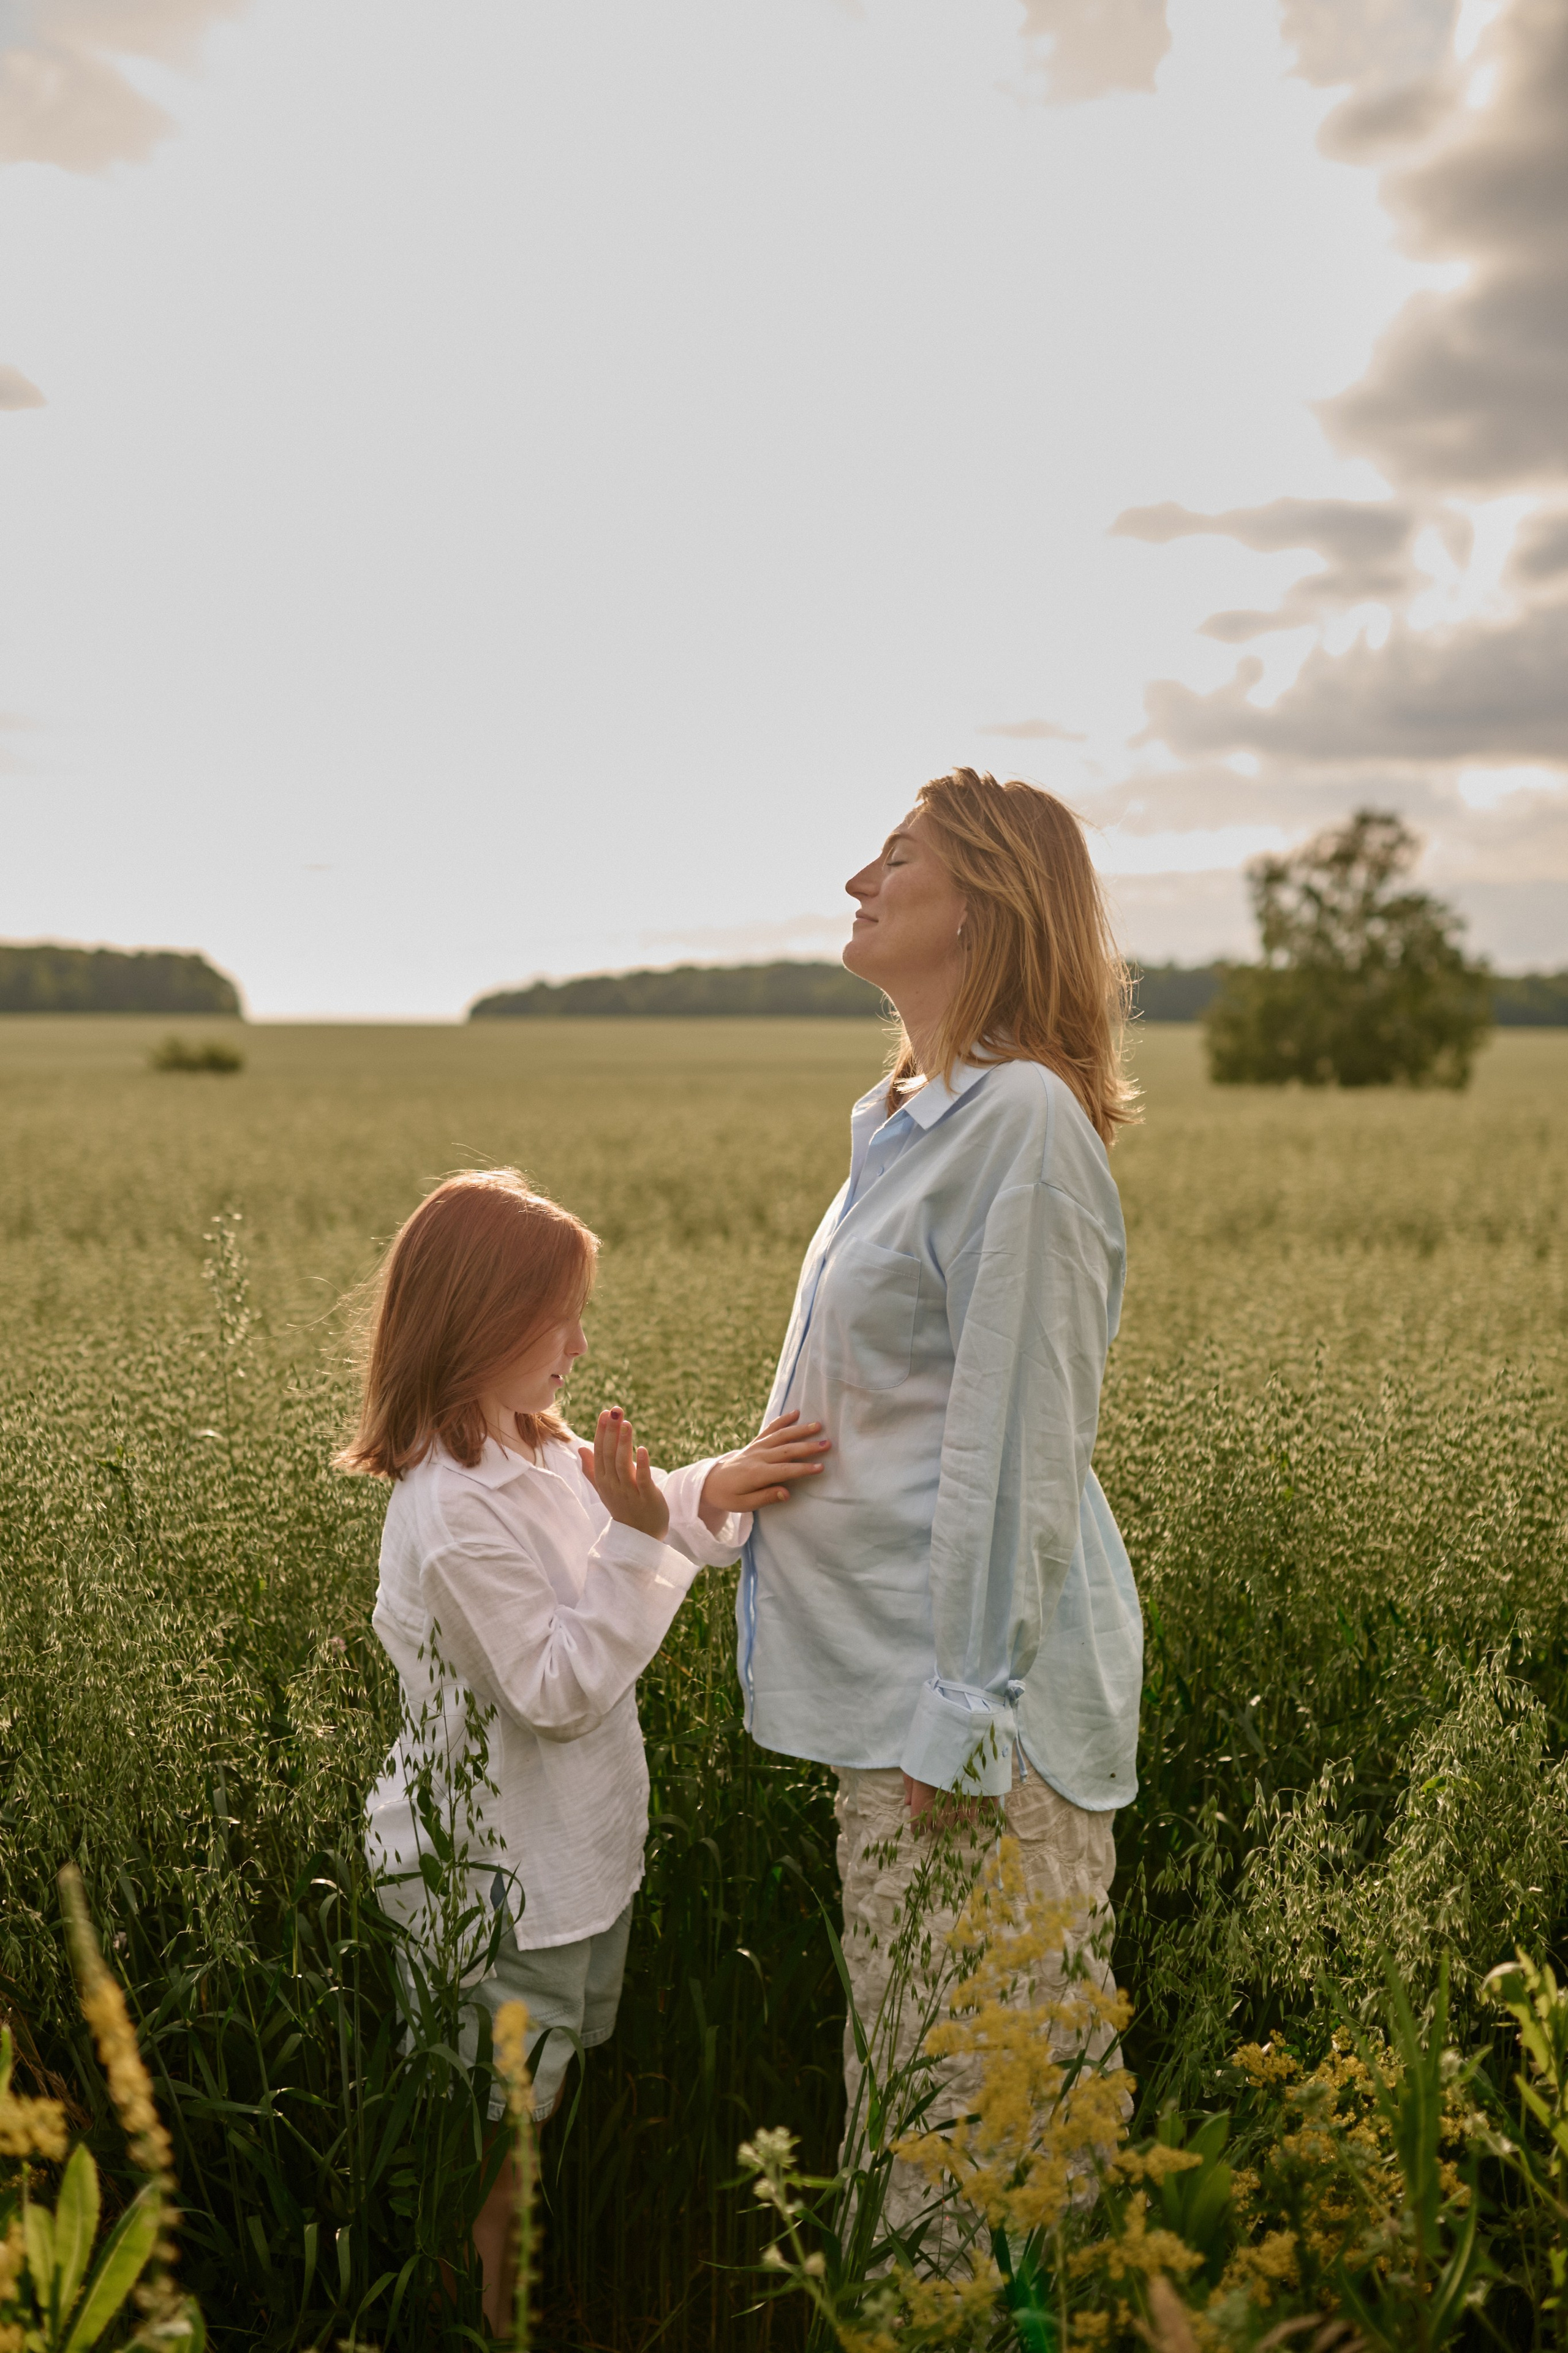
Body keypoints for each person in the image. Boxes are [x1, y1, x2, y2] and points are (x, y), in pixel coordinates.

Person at [737, 769, 1143, 2232]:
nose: (858, 878)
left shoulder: (1020, 1122)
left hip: (973, 1743)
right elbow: (870, 1424)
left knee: (974, 2177)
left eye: (895, 857)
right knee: (923, 2142)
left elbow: (1014, 1442)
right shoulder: (909, 1121)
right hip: (910, 1724)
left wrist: (962, 1710)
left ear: (982, 901)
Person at [336, 1168, 827, 2330]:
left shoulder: (528, 1445)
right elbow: (556, 1687)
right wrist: (650, 1534)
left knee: (528, 2132)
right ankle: (477, 2328)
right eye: (554, 1318)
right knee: (493, 2160)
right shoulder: (452, 1513)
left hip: (572, 1864)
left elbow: (630, 1512)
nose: (579, 1341)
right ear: (475, 1323)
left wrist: (713, 1487)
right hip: (500, 1891)